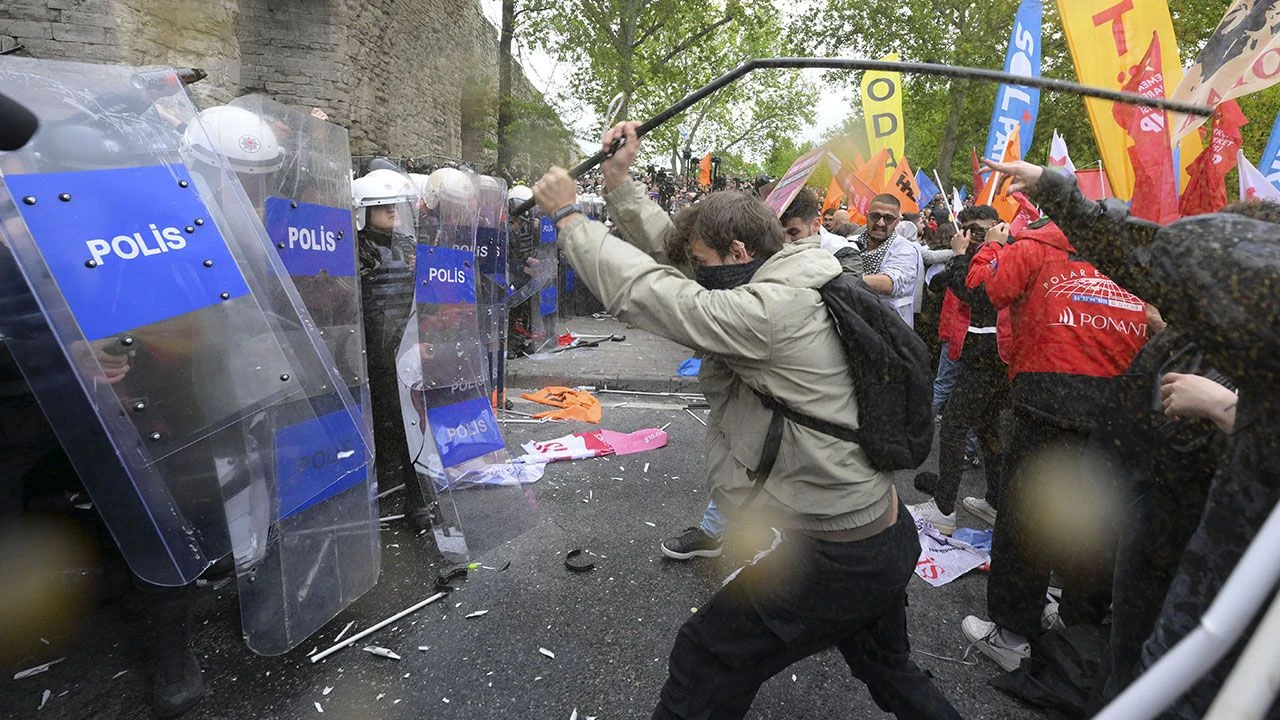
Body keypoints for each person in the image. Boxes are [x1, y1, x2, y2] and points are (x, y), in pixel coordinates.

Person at [534, 120, 962, 720]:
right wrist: (619, 182)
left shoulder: (764, 314)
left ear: (739, 255)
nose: (698, 273)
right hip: (881, 537)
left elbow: (650, 292)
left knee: (705, 659)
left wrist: (570, 221)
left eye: (708, 264)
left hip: (837, 558)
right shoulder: (787, 270)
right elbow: (680, 257)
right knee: (886, 666)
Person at [987, 157, 1280, 719]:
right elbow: (1137, 254)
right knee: (1129, 661)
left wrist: (1224, 406)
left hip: (1229, 570)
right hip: (1155, 525)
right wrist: (1056, 191)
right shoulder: (1200, 324)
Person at [957, 209, 1150, 672]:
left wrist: (995, 245)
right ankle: (1075, 628)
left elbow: (990, 289)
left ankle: (1012, 634)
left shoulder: (1034, 245)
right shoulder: (1127, 260)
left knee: (1026, 517)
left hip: (1048, 395)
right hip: (1113, 406)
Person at [908, 206, 1007, 534]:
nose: (971, 237)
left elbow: (974, 294)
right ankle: (995, 500)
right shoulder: (979, 255)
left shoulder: (1005, 254)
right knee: (987, 428)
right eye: (966, 230)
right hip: (985, 353)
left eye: (979, 231)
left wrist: (961, 255)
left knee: (953, 427)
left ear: (997, 228)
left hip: (990, 356)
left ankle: (943, 509)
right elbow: (941, 283)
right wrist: (958, 261)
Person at [854, 194, 922, 327]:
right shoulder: (851, 243)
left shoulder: (905, 249)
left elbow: (889, 283)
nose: (880, 223)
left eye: (888, 218)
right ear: (867, 216)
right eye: (875, 216)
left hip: (889, 332)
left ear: (897, 222)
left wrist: (845, 278)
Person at [779, 187, 863, 277]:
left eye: (793, 232)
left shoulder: (843, 252)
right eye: (780, 234)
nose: (786, 241)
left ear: (815, 225)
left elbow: (849, 285)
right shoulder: (771, 246)